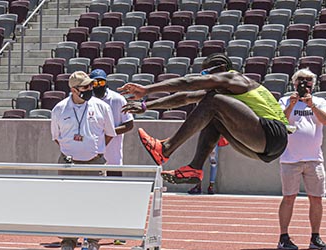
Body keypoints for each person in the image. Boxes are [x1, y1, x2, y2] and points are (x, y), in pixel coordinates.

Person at [119, 53, 295, 185]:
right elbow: (186, 97)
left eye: (205, 72)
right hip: (267, 149)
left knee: (213, 102)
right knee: (213, 116)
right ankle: (195, 168)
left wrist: (147, 89)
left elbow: (189, 83)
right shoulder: (225, 91)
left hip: (272, 133)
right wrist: (145, 106)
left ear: (220, 67)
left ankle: (165, 148)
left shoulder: (234, 78)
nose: (203, 76)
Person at [50, 71, 116, 250]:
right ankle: (68, 239)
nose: (90, 89)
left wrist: (94, 150)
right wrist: (72, 150)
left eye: (91, 86)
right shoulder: (59, 109)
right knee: (67, 201)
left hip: (94, 163)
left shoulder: (102, 107)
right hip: (68, 163)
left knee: (95, 201)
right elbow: (56, 137)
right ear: (73, 90)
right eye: (85, 87)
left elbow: (109, 134)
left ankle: (93, 239)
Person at [275, 68, 326, 250]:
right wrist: (291, 106)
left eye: (308, 81)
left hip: (314, 158)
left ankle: (315, 237)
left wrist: (311, 105)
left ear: (313, 84)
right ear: (294, 83)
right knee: (288, 197)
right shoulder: (284, 100)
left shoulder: (320, 101)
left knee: (316, 199)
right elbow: (278, 121)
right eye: (300, 80)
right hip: (290, 158)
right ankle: (283, 236)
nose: (304, 84)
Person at [89, 69, 135, 177]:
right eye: (95, 83)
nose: (98, 85)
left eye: (101, 82)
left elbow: (129, 125)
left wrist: (109, 133)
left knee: (114, 180)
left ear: (106, 83)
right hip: (91, 148)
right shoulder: (87, 100)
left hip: (113, 150)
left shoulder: (118, 100)